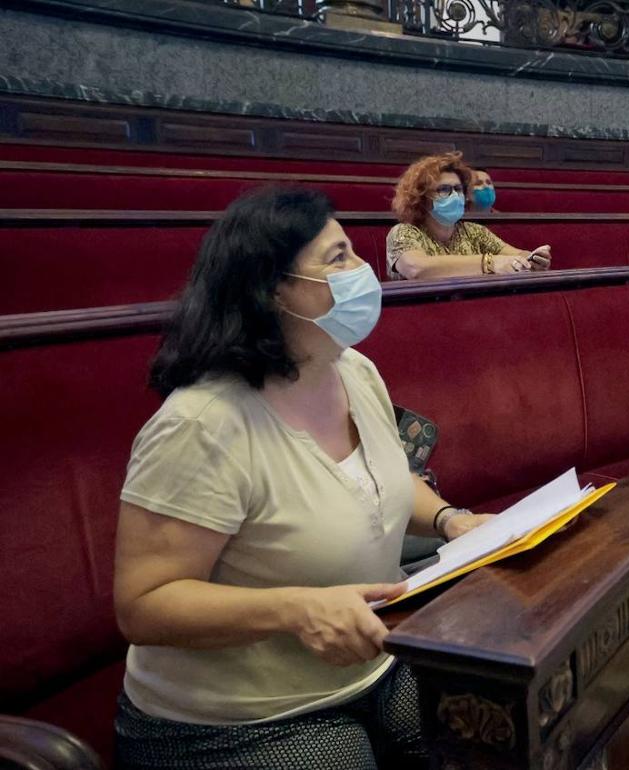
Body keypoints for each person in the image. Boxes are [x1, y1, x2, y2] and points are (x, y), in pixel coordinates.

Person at [113, 187, 493, 769]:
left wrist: (450, 519)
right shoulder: (203, 424)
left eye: (354, 253)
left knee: (494, 728)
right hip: (233, 720)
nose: (363, 270)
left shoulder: (352, 369)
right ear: (271, 290)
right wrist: (295, 610)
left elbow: (377, 480)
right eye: (338, 259)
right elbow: (145, 605)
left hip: (372, 666)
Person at [386, 153, 550, 280]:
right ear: (421, 198)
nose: (455, 196)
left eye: (458, 189)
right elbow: (417, 269)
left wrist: (532, 260)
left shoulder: (474, 231)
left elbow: (516, 254)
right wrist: (489, 263)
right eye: (444, 189)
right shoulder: (403, 232)